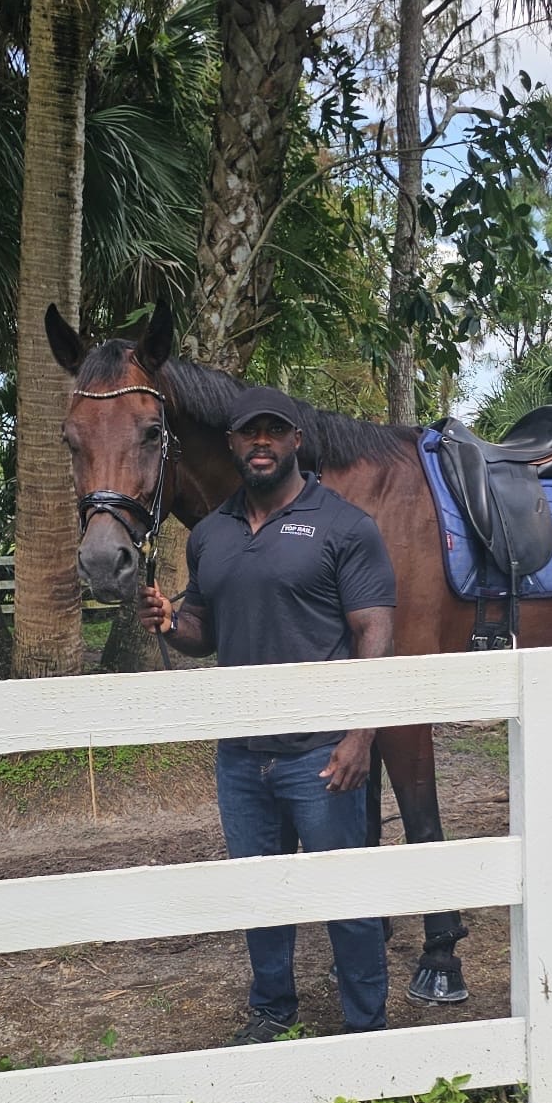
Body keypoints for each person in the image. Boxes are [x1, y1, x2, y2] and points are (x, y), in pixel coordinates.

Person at [140, 386, 397, 1043]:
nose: (261, 442)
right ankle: (273, 1009)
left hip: (321, 752)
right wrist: (173, 622)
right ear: (231, 444)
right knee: (260, 891)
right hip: (241, 756)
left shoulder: (344, 526)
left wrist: (360, 735)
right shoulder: (214, 534)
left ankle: (366, 1024)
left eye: (273, 431)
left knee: (346, 894)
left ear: (296, 442)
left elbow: (374, 633)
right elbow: (204, 627)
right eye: (248, 433)